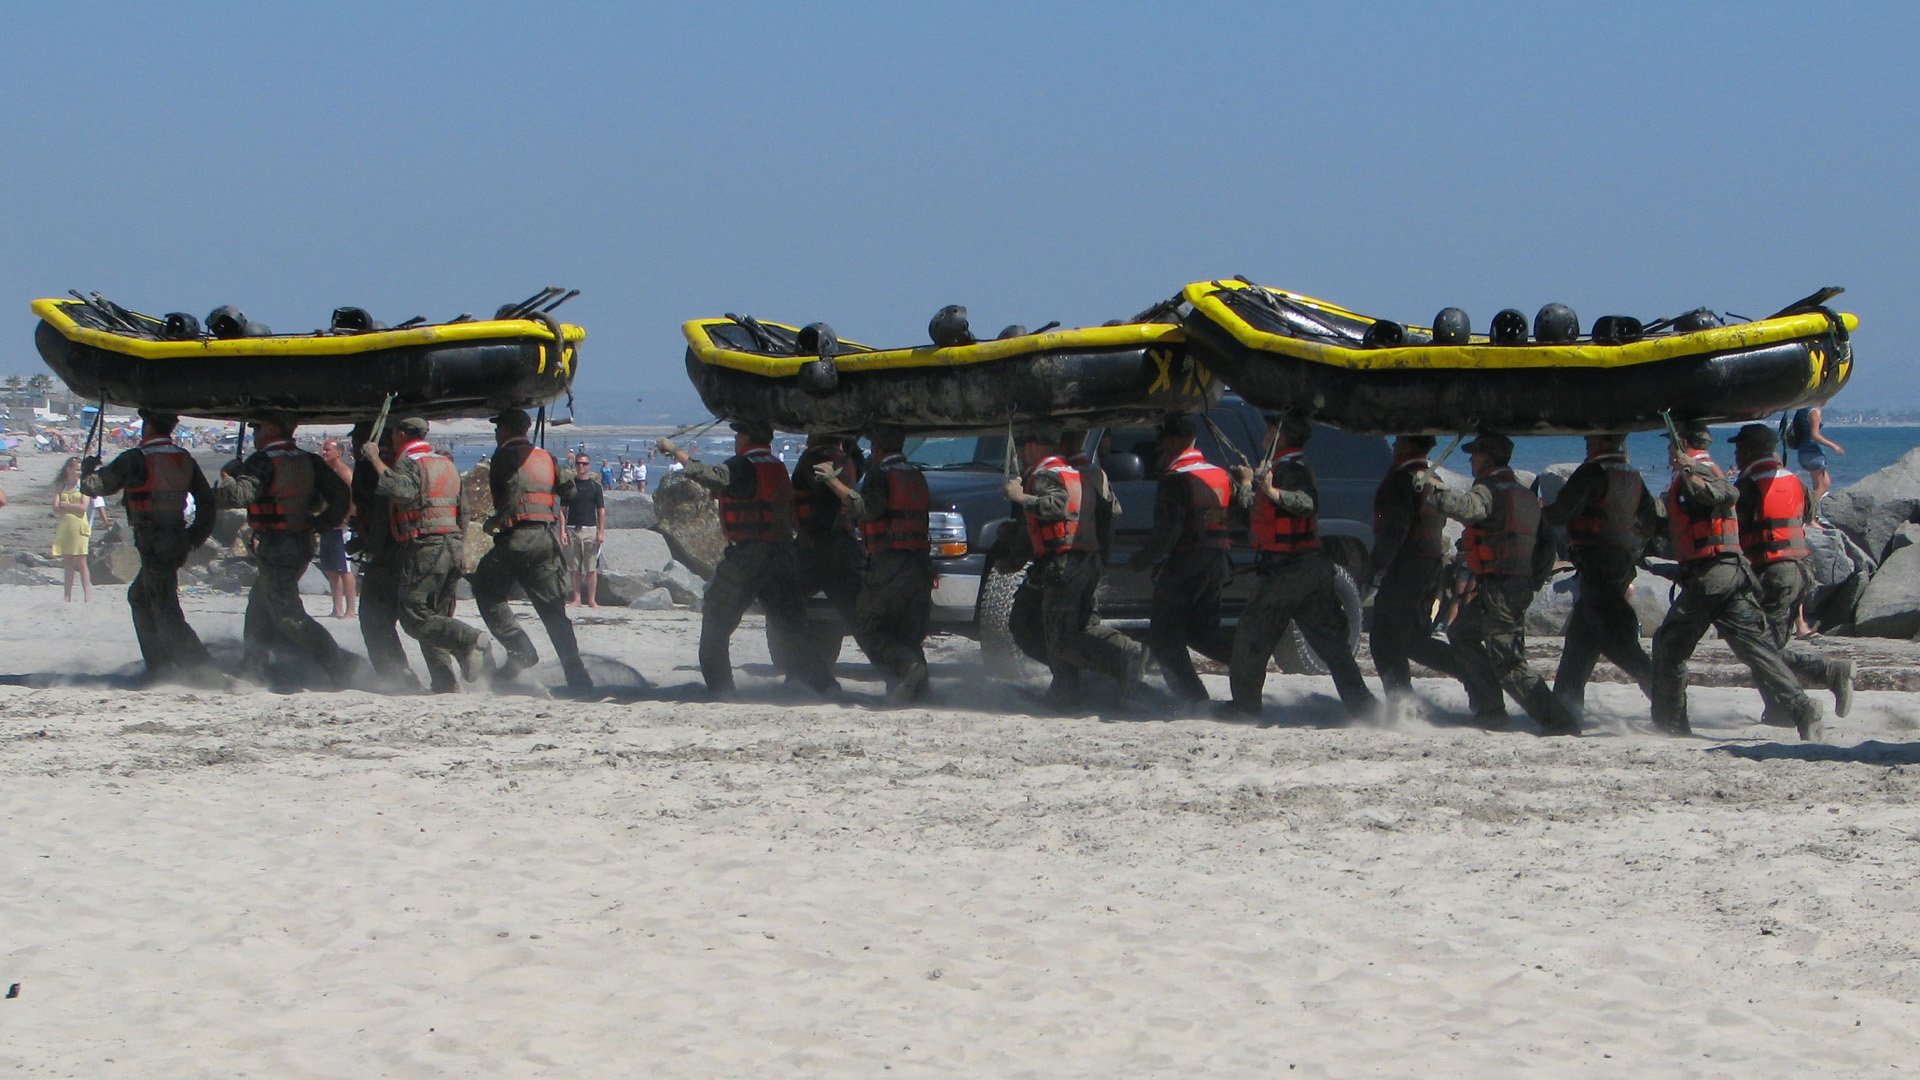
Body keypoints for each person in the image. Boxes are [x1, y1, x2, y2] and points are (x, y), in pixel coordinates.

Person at [1650, 421, 1824, 740]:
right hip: (1737, 573)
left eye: (1671, 445)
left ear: (1683, 444)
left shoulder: (1698, 472)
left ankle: (1670, 722)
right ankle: (1801, 707)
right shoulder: (1707, 471)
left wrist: (1690, 473)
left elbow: (1725, 493)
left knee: (1669, 646)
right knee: (1757, 647)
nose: (1668, 451)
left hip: (1711, 576)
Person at [656, 419, 835, 697]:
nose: (736, 440)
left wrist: (676, 452)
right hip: (781, 554)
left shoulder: (743, 465)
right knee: (791, 623)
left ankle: (720, 688)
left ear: (746, 438)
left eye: (739, 435)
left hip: (749, 554)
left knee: (716, 617)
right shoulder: (777, 467)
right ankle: (821, 683)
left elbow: (711, 476)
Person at [1222, 414, 1375, 721]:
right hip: (1307, 567)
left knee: (1253, 633)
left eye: (1270, 427)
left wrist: (1271, 490)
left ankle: (1245, 706)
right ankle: (1364, 708)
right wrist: (1245, 487)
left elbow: (1307, 503)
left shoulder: (1292, 469)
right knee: (1330, 642)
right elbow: (1260, 514)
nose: (1265, 432)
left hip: (1290, 569)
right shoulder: (1278, 469)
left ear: (1282, 434)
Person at [1424, 433, 1580, 734]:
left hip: (1500, 589)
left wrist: (1432, 493)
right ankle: (1490, 709)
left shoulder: (1488, 490)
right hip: (1510, 587)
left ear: (1487, 458)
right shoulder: (1524, 495)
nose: (1470, 460)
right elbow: (1546, 546)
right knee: (1461, 633)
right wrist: (1531, 582)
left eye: (1474, 455)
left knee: (1508, 664)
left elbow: (1469, 509)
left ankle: (1559, 722)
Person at [1000, 422, 1143, 709]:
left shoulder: (1045, 476)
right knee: (1072, 629)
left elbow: (1054, 510)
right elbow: (1110, 515)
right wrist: (1101, 558)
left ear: (1032, 446)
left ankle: (1124, 656)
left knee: (1060, 637)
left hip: (1063, 565)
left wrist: (1019, 498)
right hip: (1081, 561)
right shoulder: (1084, 474)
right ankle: (1071, 684)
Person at [79, 409, 220, 682]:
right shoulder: (184, 459)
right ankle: (160, 666)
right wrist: (194, 537)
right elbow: (207, 502)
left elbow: (97, 486)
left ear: (148, 425)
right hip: (176, 537)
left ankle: (203, 670)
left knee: (163, 607)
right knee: (140, 597)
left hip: (154, 541)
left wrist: (87, 472)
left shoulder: (136, 458)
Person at [217, 413, 357, 687]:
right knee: (259, 605)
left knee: (288, 615)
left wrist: (227, 478)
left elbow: (238, 496)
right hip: (300, 541)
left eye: (258, 426)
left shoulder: (262, 461)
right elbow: (341, 495)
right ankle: (253, 668)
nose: (255, 432)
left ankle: (339, 666)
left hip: (278, 544)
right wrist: (320, 524)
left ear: (273, 427)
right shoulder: (310, 460)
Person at [1730, 423, 1854, 717]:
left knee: (1762, 648)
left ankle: (1826, 672)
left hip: (1773, 572)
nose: (1736, 453)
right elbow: (1808, 514)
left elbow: (1735, 527)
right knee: (1769, 643)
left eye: (1738, 448)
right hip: (1801, 571)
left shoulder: (1747, 486)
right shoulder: (1795, 481)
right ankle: (1777, 710)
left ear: (1748, 451)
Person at [362, 417, 492, 692]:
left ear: (399, 435)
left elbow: (399, 491)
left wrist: (374, 459)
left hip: (424, 547)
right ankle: (445, 682)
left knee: (416, 617)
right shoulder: (446, 464)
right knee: (436, 617)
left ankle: (467, 639)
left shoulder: (409, 463)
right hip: (452, 545)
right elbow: (464, 511)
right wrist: (457, 542)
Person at [470, 408, 593, 694]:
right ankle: (577, 676)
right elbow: (570, 491)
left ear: (505, 430)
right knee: (553, 611)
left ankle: (520, 648)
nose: (496, 432)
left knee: (485, 588)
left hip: (517, 538)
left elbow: (510, 496)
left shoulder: (503, 456)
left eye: (498, 427)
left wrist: (493, 522)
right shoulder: (545, 457)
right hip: (544, 539)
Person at [1542, 433, 1661, 714]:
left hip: (1598, 564)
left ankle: (1667, 699)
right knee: (1580, 642)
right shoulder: (1632, 476)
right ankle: (1564, 708)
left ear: (1594, 443)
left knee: (1619, 643)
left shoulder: (1592, 473)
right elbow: (1651, 520)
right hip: (1619, 563)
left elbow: (1561, 512)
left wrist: (1536, 512)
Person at [814, 425, 934, 703]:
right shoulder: (916, 475)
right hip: (920, 564)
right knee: (908, 632)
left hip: (888, 563)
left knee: (867, 626)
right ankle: (920, 692)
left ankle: (909, 669)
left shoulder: (879, 475)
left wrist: (833, 482)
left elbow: (867, 508)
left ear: (877, 449)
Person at [1129, 415, 1235, 703]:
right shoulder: (1219, 474)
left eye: (1163, 442)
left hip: (1186, 563)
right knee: (1202, 631)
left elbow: (1170, 529)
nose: (1160, 449)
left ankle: (1193, 700)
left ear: (1173, 441)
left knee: (1164, 636)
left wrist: (1144, 558)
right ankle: (1248, 660)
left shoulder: (1175, 477)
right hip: (1217, 562)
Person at [1368, 434, 1460, 702]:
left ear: (1408, 446)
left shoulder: (1402, 480)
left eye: (1398, 442)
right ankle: (1473, 672)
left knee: (1385, 639)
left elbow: (1395, 530)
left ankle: (1401, 704)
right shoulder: (1434, 479)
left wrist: (1376, 566)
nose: (1394, 446)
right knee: (1413, 640)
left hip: (1405, 568)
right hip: (1430, 568)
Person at [349, 421, 422, 691]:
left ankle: (395, 675)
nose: (353, 447)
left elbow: (377, 508)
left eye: (357, 440)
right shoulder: (407, 463)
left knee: (374, 617)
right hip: (411, 548)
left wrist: (373, 546)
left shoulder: (371, 467)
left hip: (388, 551)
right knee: (413, 617)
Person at [791, 433, 864, 664]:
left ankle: (805, 670)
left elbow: (826, 505)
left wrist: (807, 536)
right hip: (844, 546)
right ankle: (899, 668)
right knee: (857, 616)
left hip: (820, 547)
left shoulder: (818, 459)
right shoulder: (850, 459)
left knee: (785, 603)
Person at [317, 436, 358, 619]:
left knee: (345, 569)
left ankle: (350, 609)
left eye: (327, 450)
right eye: (323, 449)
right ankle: (337, 607)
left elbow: (353, 498)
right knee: (332, 569)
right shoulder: (328, 471)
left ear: (339, 453)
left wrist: (346, 519)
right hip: (329, 525)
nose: (323, 453)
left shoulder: (344, 472)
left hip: (341, 527)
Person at [564, 451, 606, 607]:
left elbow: (601, 510)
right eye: (578, 463)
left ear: (589, 465)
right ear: (575, 465)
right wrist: (562, 531)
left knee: (591, 568)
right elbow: (562, 510)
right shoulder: (569, 486)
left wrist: (600, 532)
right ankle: (576, 599)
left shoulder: (595, 487)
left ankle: (591, 600)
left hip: (590, 529)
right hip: (572, 528)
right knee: (574, 567)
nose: (581, 466)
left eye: (584, 463)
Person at [51, 455, 94, 602]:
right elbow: (56, 508)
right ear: (69, 469)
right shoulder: (61, 487)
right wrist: (67, 507)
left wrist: (66, 506)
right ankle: (67, 596)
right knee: (68, 562)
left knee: (81, 562)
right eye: (77, 469)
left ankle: (87, 596)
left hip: (79, 527)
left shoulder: (83, 486)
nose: (80, 472)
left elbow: (83, 508)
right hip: (65, 528)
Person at [1787, 406, 1845, 509]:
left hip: (1803, 451)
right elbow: (1815, 435)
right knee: (1821, 486)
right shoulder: (1814, 412)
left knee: (1825, 482)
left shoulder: (1803, 408)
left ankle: (1812, 513)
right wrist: (1834, 446)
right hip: (1812, 452)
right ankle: (1805, 511)